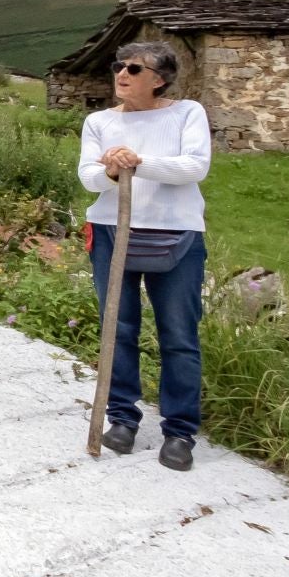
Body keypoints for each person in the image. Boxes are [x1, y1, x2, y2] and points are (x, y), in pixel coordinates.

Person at [78, 41, 212, 471]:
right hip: (111, 229)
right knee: (117, 326)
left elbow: (195, 166)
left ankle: (179, 431)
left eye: (135, 68)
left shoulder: (186, 113)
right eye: (119, 65)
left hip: (176, 232)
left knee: (178, 334)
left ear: (160, 79)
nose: (122, 73)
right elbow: (90, 178)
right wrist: (114, 170)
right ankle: (122, 418)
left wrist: (137, 161)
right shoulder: (99, 121)